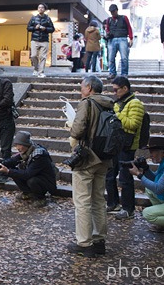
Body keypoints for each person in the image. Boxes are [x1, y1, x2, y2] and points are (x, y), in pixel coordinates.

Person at [66, 75, 114, 258]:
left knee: (82, 201)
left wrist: (71, 126)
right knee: (99, 200)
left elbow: (78, 130)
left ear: (90, 88)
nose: (81, 91)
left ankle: (84, 243)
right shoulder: (110, 104)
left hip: (87, 158)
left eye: (82, 87)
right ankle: (99, 239)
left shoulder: (87, 103)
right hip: (105, 158)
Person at [105, 76, 145, 220]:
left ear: (125, 88)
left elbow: (132, 124)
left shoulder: (135, 104)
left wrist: (117, 114)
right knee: (110, 174)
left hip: (127, 146)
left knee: (125, 178)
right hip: (115, 144)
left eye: (116, 90)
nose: (114, 93)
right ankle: (112, 203)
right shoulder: (118, 103)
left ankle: (128, 209)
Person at [0, 131, 57, 208]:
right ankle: (28, 193)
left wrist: (8, 171)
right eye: (16, 145)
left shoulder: (39, 155)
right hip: (35, 177)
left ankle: (41, 198)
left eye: (19, 145)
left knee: (30, 180)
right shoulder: (26, 151)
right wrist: (2, 163)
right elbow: (13, 160)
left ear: (25, 144)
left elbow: (27, 174)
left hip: (46, 182)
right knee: (14, 171)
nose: (17, 148)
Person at [103, 4, 133, 79]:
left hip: (122, 38)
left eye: (113, 11)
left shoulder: (124, 18)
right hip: (113, 39)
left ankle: (124, 73)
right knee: (111, 57)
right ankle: (113, 72)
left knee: (124, 58)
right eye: (111, 12)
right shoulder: (109, 20)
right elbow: (108, 29)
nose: (112, 13)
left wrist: (131, 38)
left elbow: (129, 28)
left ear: (117, 10)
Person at [27, 3, 55, 78]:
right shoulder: (33, 18)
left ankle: (41, 72)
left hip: (44, 40)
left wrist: (45, 29)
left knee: (43, 57)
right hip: (34, 39)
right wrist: (35, 28)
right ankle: (36, 69)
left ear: (44, 9)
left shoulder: (48, 19)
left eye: (42, 7)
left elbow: (52, 29)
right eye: (39, 7)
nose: (40, 9)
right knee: (33, 55)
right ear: (37, 9)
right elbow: (28, 28)